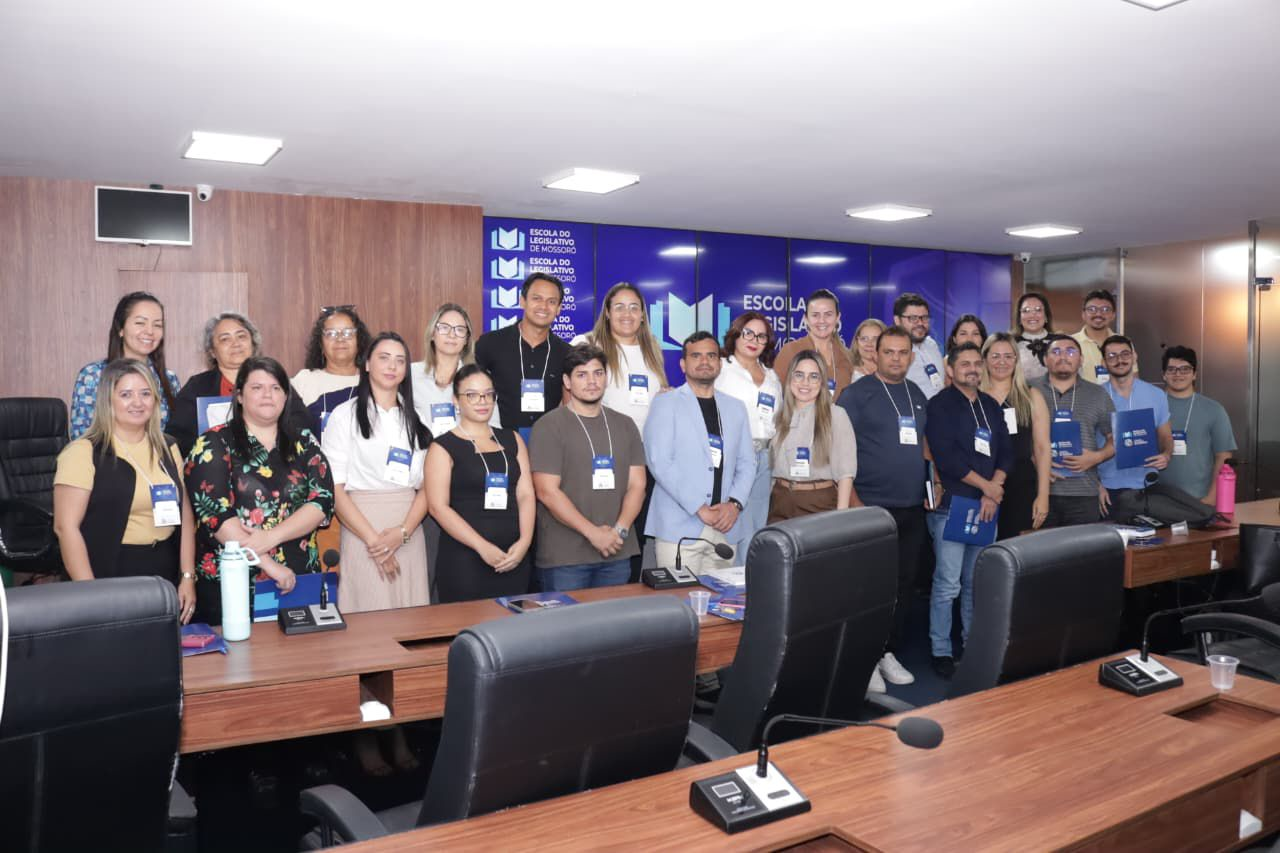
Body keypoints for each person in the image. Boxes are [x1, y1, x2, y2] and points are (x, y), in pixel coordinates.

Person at [184, 357, 334, 626]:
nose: (268, 395)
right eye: (257, 388)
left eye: (276, 388)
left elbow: (322, 500)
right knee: (239, 664)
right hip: (233, 583)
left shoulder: (303, 441)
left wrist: (272, 536)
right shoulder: (214, 442)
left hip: (298, 578)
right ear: (239, 395)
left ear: (286, 396)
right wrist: (268, 564)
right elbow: (215, 513)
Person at [54, 359, 197, 623]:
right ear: (108, 401)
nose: (138, 402)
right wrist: (90, 591)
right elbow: (65, 528)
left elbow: (185, 515)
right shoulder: (83, 452)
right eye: (126, 394)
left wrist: (187, 576)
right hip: (111, 569)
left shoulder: (168, 448)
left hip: (163, 569)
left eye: (145, 394)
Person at [835, 325, 928, 691]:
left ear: (911, 356)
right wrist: (856, 504)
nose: (895, 358)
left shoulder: (917, 394)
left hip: (911, 508)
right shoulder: (856, 396)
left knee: (903, 586)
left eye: (902, 352)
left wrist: (931, 484)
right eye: (888, 352)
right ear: (875, 353)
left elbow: (922, 444)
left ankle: (887, 652)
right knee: (867, 588)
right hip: (870, 508)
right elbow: (840, 452)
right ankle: (863, 658)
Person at [322, 333, 433, 613]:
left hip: (409, 531)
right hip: (362, 532)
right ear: (368, 364)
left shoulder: (418, 419)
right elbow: (334, 489)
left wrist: (403, 532)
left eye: (400, 361)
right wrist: (376, 543)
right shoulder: (343, 415)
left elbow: (429, 487)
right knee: (367, 621)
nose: (392, 366)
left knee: (412, 620)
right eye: (384, 358)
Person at [924, 342, 1014, 678]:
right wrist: (986, 487)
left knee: (975, 582)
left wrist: (994, 491)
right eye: (965, 364)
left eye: (978, 363)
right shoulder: (940, 406)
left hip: (987, 507)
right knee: (948, 583)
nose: (972, 369)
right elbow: (947, 459)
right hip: (953, 506)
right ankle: (941, 650)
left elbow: (1006, 452)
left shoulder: (991, 405)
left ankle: (972, 645)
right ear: (950, 368)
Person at [530, 345, 646, 591]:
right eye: (582, 375)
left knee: (614, 629)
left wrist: (620, 532)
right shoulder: (548, 426)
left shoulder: (625, 425)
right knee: (566, 629)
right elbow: (547, 492)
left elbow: (637, 485)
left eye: (598, 373)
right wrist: (594, 534)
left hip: (617, 552)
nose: (592, 381)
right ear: (567, 381)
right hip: (565, 559)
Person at [643, 332, 754, 573]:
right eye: (696, 356)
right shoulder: (665, 403)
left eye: (711, 355)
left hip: (726, 527)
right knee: (680, 606)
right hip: (679, 527)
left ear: (720, 363)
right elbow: (659, 462)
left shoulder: (736, 408)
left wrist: (734, 505)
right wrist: (699, 507)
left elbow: (747, 463)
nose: (705, 361)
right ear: (683, 364)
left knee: (721, 605)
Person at [424, 364, 534, 602]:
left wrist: (525, 541)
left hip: (514, 556)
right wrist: (482, 546)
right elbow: (437, 508)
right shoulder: (442, 446)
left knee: (512, 632)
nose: (482, 401)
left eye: (488, 394)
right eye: (472, 395)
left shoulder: (512, 438)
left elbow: (525, 493)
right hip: (465, 560)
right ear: (456, 400)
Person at [1096, 335, 1212, 525]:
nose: (1120, 360)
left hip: (1147, 485)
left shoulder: (1155, 394)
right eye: (1112, 356)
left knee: (1199, 516)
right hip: (1109, 489)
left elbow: (1165, 435)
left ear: (1134, 357)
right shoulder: (1095, 396)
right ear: (1103, 362)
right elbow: (1086, 445)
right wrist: (1096, 485)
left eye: (1125, 354)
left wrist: (1166, 454)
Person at [169, 312, 313, 456]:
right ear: (212, 351)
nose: (236, 344)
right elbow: (177, 438)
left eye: (241, 336)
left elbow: (302, 424)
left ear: (253, 342)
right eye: (225, 339)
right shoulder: (198, 387)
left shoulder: (274, 380)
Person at [715, 311, 783, 559]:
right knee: (730, 526)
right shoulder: (721, 368)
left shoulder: (772, 376)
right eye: (748, 333)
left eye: (762, 336)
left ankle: (747, 585)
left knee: (756, 525)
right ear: (736, 334)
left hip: (765, 458)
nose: (754, 339)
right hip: (732, 457)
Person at [1030, 333, 1115, 527]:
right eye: (1056, 351)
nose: (1063, 357)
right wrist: (1034, 459)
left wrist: (1097, 457)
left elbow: (1116, 438)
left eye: (1070, 351)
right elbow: (1016, 436)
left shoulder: (1098, 394)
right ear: (1045, 359)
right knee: (1040, 556)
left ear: (1081, 359)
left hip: (1084, 493)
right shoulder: (1029, 389)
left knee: (1082, 556)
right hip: (1038, 491)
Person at [70, 292, 181, 439]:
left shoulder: (169, 379)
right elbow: (81, 436)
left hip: (156, 460)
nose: (149, 331)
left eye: (157, 325)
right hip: (105, 459)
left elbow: (175, 437)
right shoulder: (93, 375)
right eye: (140, 323)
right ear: (121, 329)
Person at [474, 272, 570, 438]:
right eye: (536, 298)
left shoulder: (567, 353)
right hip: (496, 441)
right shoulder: (490, 344)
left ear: (559, 309)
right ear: (522, 301)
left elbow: (570, 404)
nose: (543, 306)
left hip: (548, 443)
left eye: (552, 302)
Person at [769, 350, 857, 521]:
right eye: (799, 375)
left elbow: (846, 473)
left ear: (822, 382)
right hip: (780, 501)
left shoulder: (836, 415)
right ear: (790, 379)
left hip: (818, 504)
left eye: (814, 376)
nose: (805, 382)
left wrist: (841, 517)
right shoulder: (779, 416)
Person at [570, 282, 669, 432]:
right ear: (608, 313)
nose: (627, 314)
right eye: (619, 307)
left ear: (642, 315)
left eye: (634, 307)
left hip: (645, 444)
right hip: (601, 441)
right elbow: (568, 395)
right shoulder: (587, 343)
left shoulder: (653, 349)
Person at [981, 333, 1051, 538]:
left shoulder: (1031, 396)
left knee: (1015, 554)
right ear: (984, 359)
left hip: (1021, 486)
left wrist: (1043, 495)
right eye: (995, 356)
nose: (1001, 362)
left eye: (1008, 356)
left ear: (1016, 360)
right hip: (980, 484)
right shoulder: (973, 395)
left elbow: (1042, 448)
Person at [1161, 345, 1237, 505]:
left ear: (1195, 374)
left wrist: (1211, 498)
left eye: (1185, 369)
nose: (1178, 374)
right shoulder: (1152, 406)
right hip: (1156, 500)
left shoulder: (1214, 410)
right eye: (1172, 369)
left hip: (1199, 501)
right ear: (1164, 375)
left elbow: (1223, 457)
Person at [410, 303, 497, 437]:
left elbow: (493, 429)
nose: (452, 335)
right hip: (423, 455)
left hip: (466, 455)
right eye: (444, 328)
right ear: (433, 334)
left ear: (467, 340)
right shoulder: (411, 374)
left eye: (460, 330)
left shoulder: (480, 380)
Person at [291, 305, 371, 422]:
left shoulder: (372, 381)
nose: (340, 339)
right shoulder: (304, 381)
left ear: (359, 341)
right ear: (321, 344)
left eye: (348, 333)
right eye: (331, 334)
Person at [775, 289, 855, 397]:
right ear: (806, 319)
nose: (822, 320)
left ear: (837, 318)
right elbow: (777, 395)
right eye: (815, 315)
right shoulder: (791, 350)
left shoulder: (847, 355)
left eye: (828, 314)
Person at [896, 292, 945, 399]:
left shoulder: (931, 345)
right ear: (897, 320)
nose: (920, 323)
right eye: (913, 318)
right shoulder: (892, 351)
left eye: (924, 318)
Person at [1071, 289, 1118, 384]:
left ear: (1113, 315)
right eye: (1092, 309)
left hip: (1114, 399)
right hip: (1082, 398)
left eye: (1105, 309)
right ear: (1083, 314)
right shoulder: (1070, 343)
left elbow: (1132, 381)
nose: (1098, 314)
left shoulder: (1124, 343)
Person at [1013, 292, 1053, 381]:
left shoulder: (1061, 342)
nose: (1032, 315)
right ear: (1019, 318)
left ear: (1046, 316)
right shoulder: (1010, 344)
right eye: (1026, 311)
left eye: (1038, 310)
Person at [849, 318, 886, 382]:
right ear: (857, 342)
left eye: (875, 339)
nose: (869, 344)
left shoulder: (893, 371)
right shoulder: (846, 371)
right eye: (864, 339)